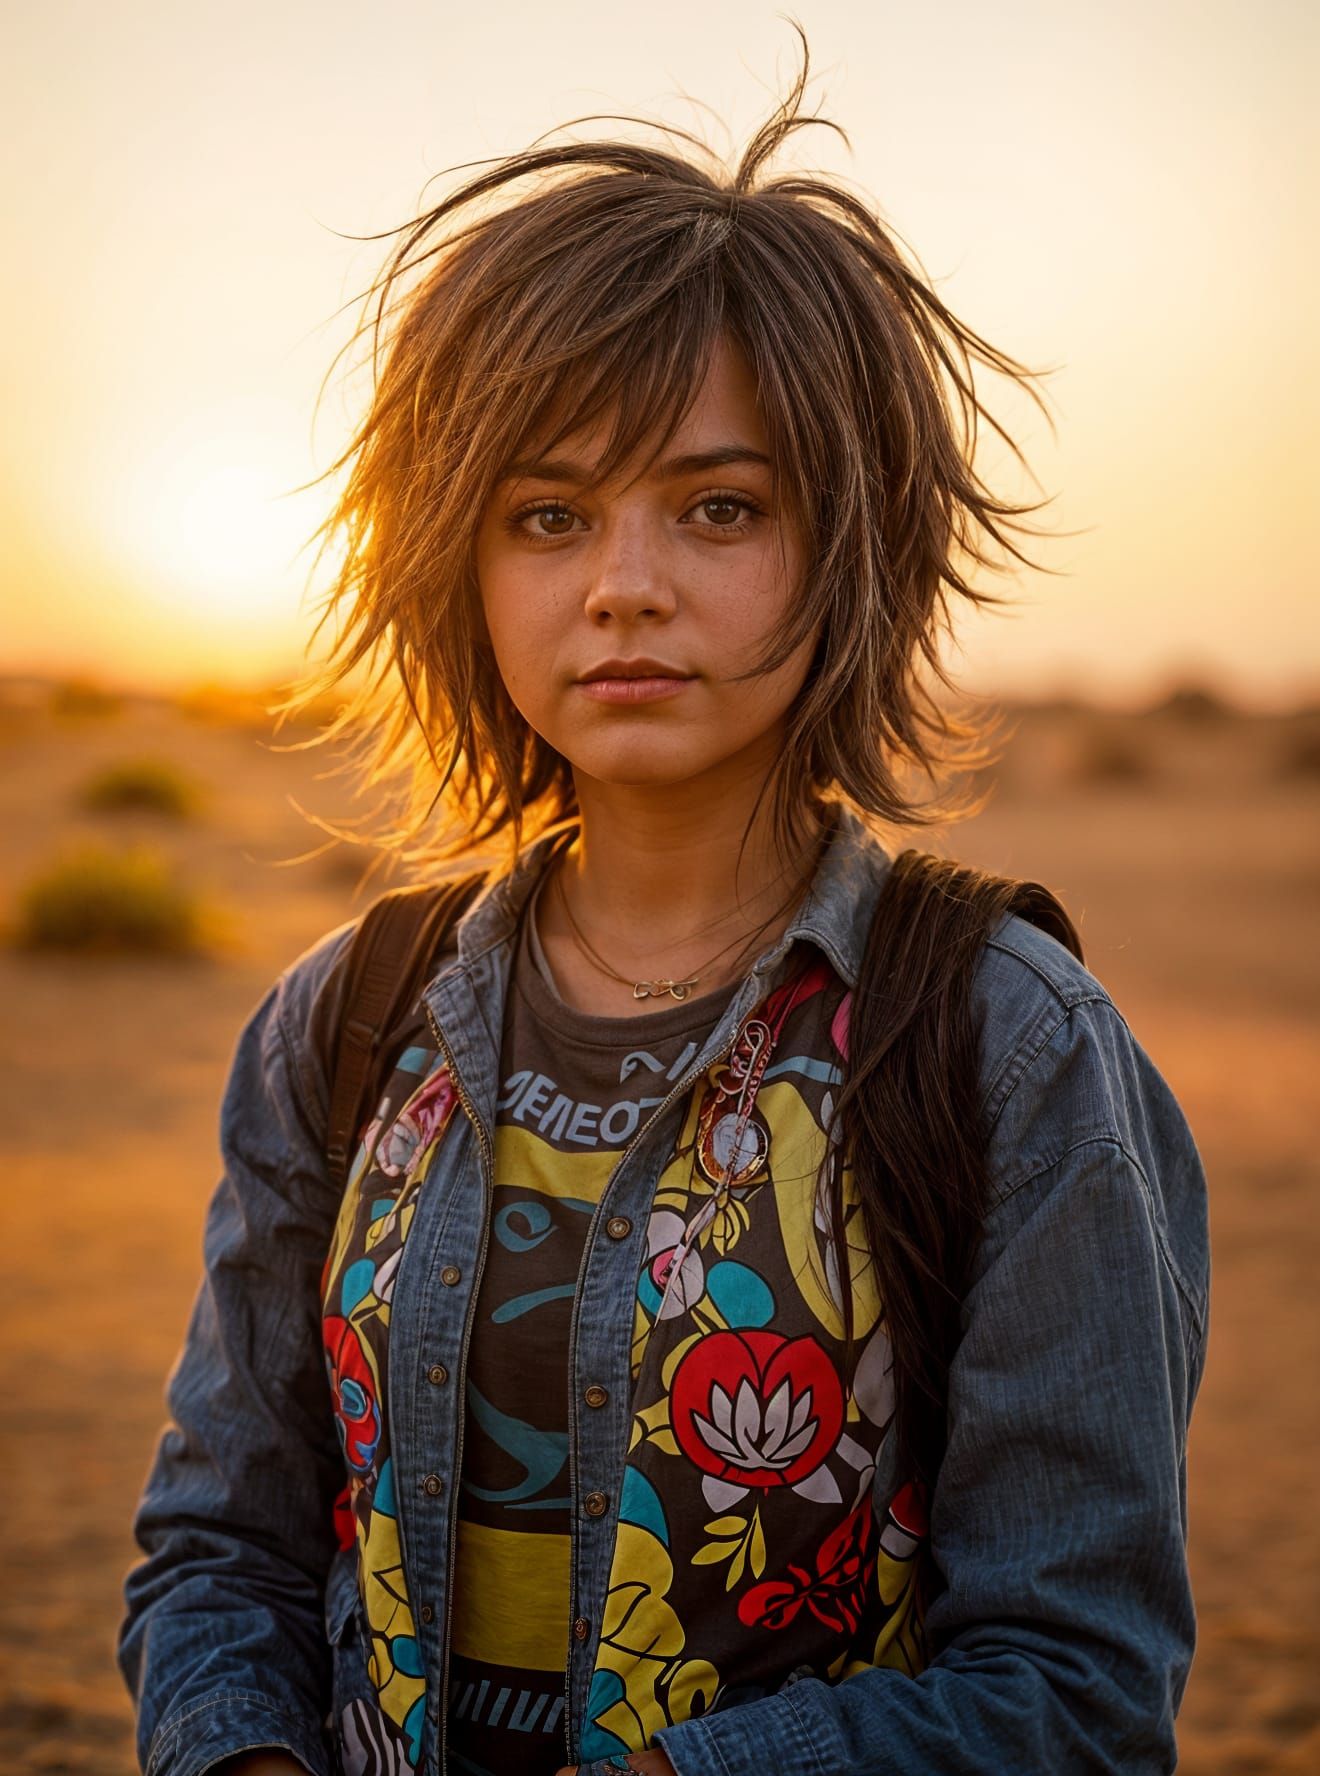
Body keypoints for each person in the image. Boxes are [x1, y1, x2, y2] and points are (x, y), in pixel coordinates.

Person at [117, 34, 1210, 1776]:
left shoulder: (1009, 1048)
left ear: (853, 541)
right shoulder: (345, 1019)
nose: (624, 586)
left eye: (718, 506)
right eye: (548, 513)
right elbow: (222, 1554)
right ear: (455, 565)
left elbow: (1074, 1691)